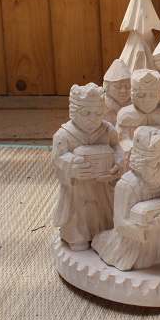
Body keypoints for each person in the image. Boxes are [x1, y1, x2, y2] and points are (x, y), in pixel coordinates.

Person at [92, 126, 160, 271]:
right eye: (154, 164)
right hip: (134, 248)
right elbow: (120, 224)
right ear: (139, 163)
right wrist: (145, 227)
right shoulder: (127, 185)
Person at [52, 83, 123, 251]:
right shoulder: (64, 135)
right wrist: (71, 166)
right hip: (78, 189)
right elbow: (57, 159)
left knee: (103, 211)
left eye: (98, 113)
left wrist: (117, 164)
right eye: (85, 113)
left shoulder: (108, 130)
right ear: (73, 112)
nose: (92, 118)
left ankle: (104, 233)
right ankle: (77, 236)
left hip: (101, 186)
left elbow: (117, 148)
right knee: (78, 212)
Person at [116, 69, 160, 166]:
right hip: (136, 162)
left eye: (153, 95)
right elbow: (122, 140)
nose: (147, 100)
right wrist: (138, 151)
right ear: (132, 94)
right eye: (141, 95)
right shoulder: (125, 115)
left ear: (159, 93)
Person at [103, 59, 132, 125]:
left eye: (128, 86)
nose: (123, 91)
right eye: (118, 86)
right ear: (107, 86)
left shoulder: (136, 104)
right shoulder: (101, 106)